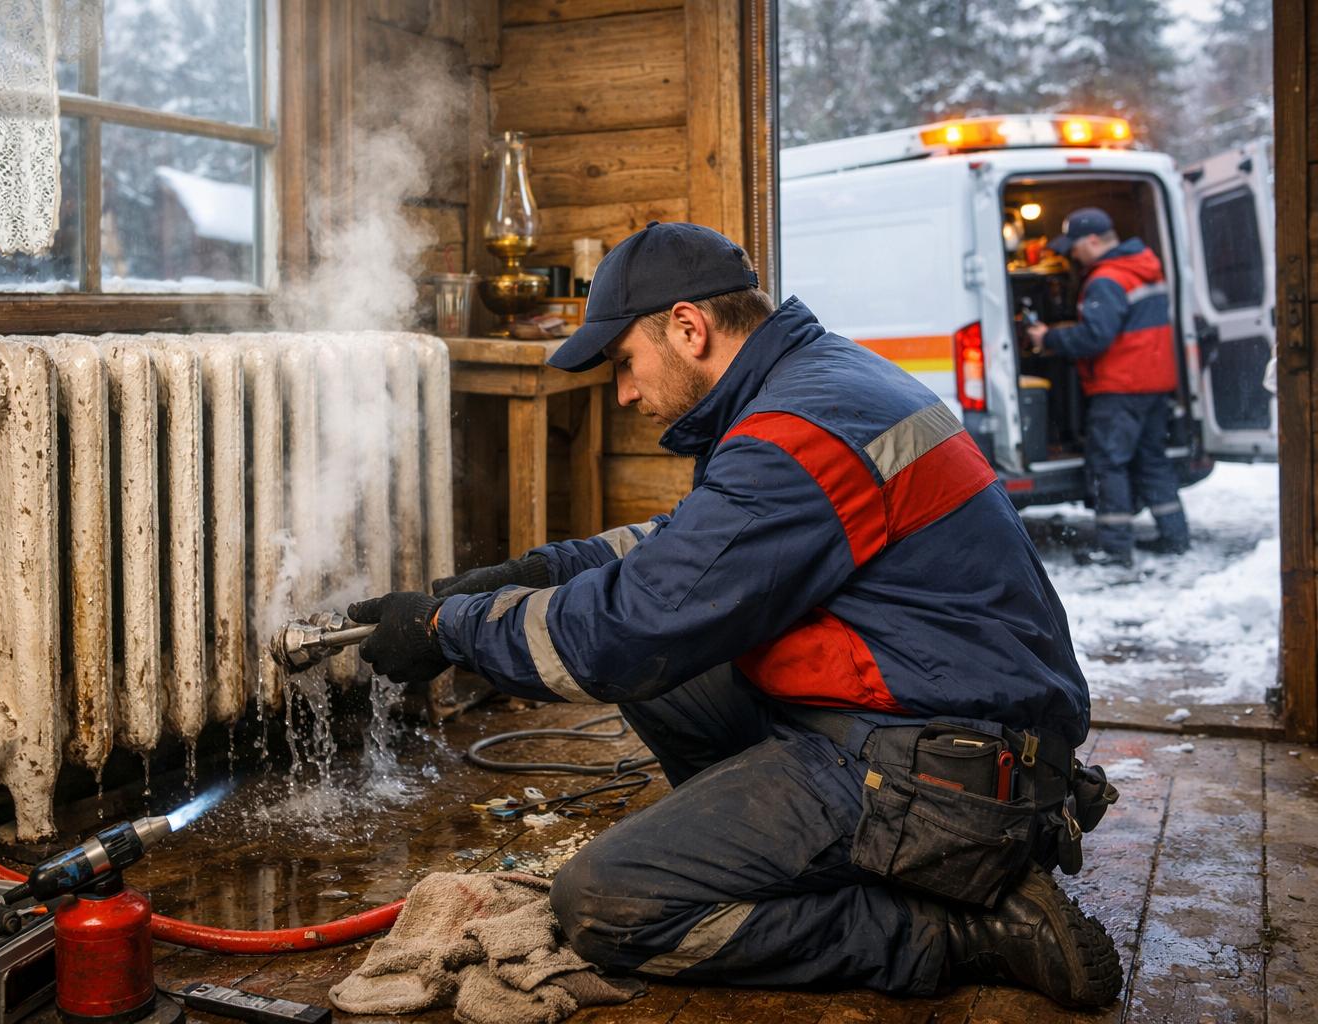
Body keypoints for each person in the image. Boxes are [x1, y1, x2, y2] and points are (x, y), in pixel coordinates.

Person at [347, 222, 1121, 1008]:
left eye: (623, 364)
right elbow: (689, 551)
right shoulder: (819, 383)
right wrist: (535, 572)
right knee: (673, 673)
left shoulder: (794, 435)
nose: (623, 393)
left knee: (607, 905)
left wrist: (449, 631)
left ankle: (957, 929)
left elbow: (627, 631)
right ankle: (769, 857)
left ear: (688, 328)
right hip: (951, 730)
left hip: (946, 777)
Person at [1026, 207, 1190, 567]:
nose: (1073, 254)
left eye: (1075, 246)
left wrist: (1049, 336)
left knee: (1108, 464)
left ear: (1094, 241)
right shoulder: (1144, 266)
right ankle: (1175, 535)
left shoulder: (1106, 279)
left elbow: (1095, 337)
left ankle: (1115, 548)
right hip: (1153, 382)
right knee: (1152, 460)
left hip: (1121, 386)